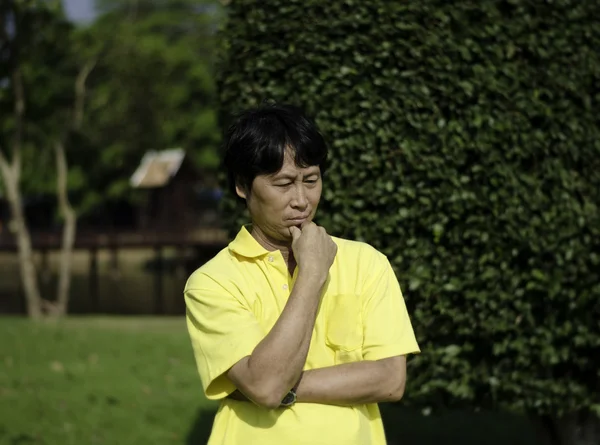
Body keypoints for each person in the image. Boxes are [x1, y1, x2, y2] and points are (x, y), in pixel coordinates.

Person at [184, 103, 420, 445]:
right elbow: (265, 386)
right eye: (283, 184)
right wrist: (311, 275)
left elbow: (390, 379)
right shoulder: (213, 282)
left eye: (311, 180)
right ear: (242, 186)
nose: (301, 200)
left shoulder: (367, 263)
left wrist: (282, 386)